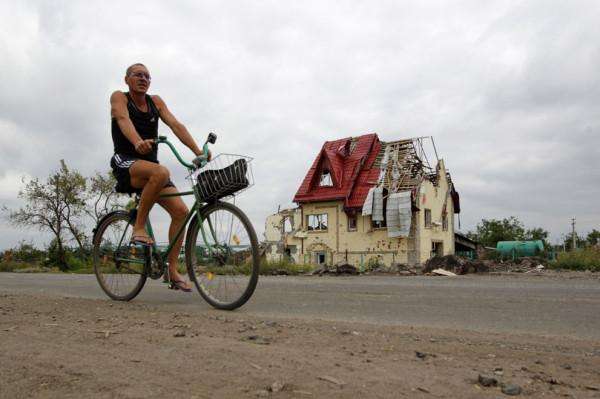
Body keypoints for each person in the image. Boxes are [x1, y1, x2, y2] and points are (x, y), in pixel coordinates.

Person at [110, 63, 208, 292]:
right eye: (138, 75)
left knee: (182, 213)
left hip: (151, 169)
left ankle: (172, 271)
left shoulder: (156, 102)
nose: (143, 79)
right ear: (127, 80)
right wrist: (137, 142)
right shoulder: (119, 97)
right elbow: (123, 119)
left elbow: (175, 125)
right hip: (126, 161)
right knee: (161, 171)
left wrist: (199, 152)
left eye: (147, 76)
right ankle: (139, 228)